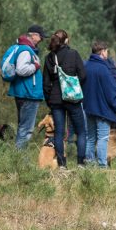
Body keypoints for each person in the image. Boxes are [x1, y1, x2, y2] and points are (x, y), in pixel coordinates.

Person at [41, 30, 87, 169]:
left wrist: (50, 101)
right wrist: (75, 88)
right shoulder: (73, 54)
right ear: (66, 40)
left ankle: (62, 165)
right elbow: (83, 75)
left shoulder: (49, 57)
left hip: (55, 100)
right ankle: (80, 163)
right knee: (81, 132)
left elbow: (45, 83)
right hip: (72, 99)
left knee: (59, 133)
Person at [4, 24, 48, 150]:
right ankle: (20, 161)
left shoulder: (23, 48)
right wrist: (35, 66)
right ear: (33, 35)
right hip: (28, 94)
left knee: (23, 127)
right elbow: (21, 70)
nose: (41, 40)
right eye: (40, 37)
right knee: (26, 129)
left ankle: (18, 158)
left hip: (23, 92)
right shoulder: (25, 50)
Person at [82, 40, 116, 167]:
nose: (107, 53)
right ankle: (102, 165)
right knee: (102, 138)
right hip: (102, 110)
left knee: (90, 138)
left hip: (88, 108)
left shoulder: (86, 66)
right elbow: (111, 92)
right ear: (102, 52)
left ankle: (89, 164)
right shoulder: (104, 69)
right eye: (106, 51)